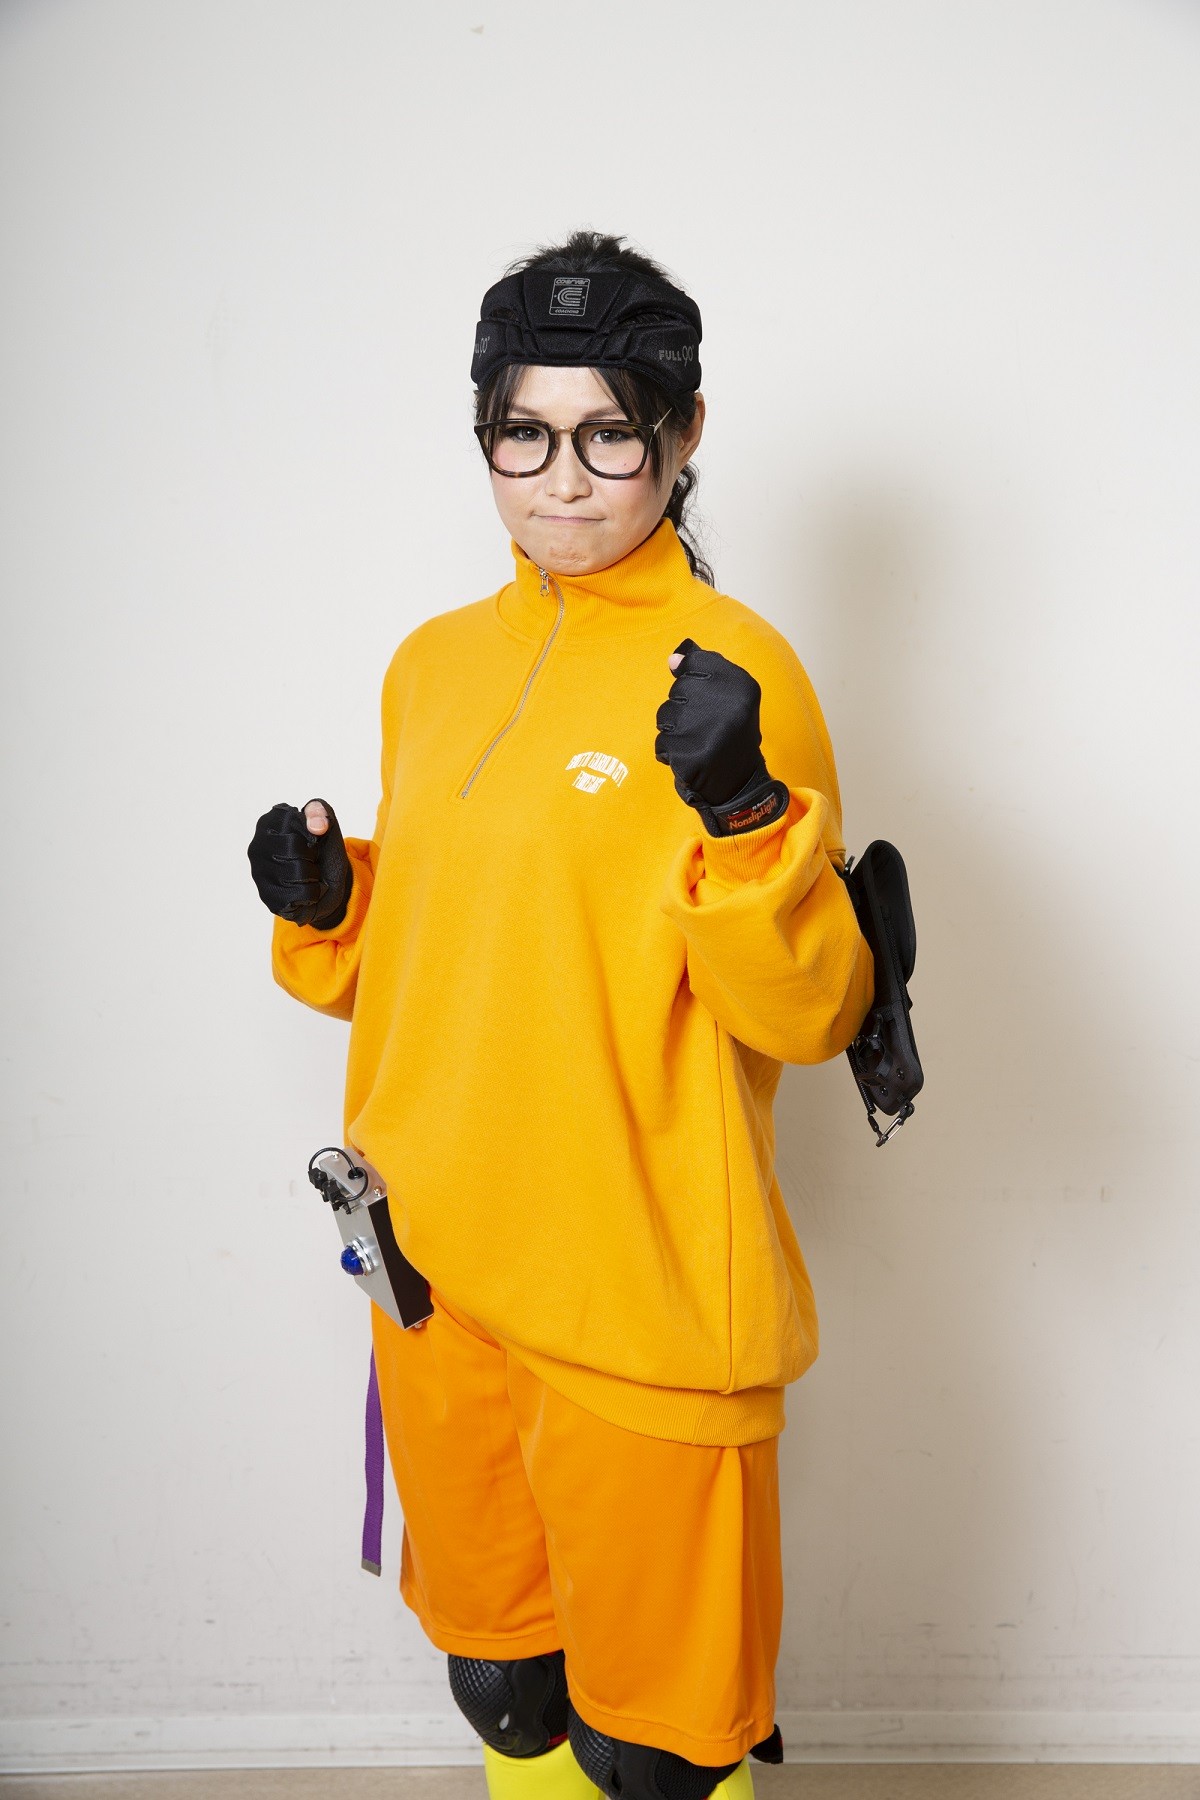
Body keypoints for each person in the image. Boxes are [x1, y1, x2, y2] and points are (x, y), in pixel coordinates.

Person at [248, 230, 874, 1800]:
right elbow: (469, 947)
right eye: (523, 435)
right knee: (508, 1691)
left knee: (655, 1749)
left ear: (686, 431)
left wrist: (745, 814)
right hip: (436, 1273)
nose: (564, 482)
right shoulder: (434, 667)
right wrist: (331, 907)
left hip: (635, 1286)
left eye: (610, 435)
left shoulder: (739, 674)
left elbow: (812, 1010)